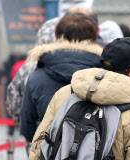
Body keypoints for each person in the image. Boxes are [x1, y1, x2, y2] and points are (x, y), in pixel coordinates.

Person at [20, 12, 102, 143]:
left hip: (48, 157)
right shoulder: (108, 76)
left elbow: (27, 129)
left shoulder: (37, 78)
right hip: (95, 158)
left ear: (58, 36)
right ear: (94, 38)